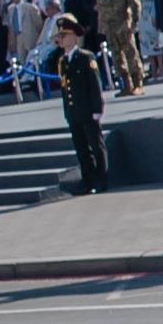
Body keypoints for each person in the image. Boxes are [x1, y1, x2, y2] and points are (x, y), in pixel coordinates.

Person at [50, 17, 104, 193]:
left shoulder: (85, 57)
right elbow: (66, 90)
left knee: (96, 147)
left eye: (64, 35)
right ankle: (87, 181)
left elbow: (94, 86)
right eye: (60, 36)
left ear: (74, 37)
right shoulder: (62, 61)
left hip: (88, 110)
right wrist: (68, 111)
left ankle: (101, 180)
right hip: (74, 112)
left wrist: (97, 109)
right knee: (82, 150)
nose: (61, 39)